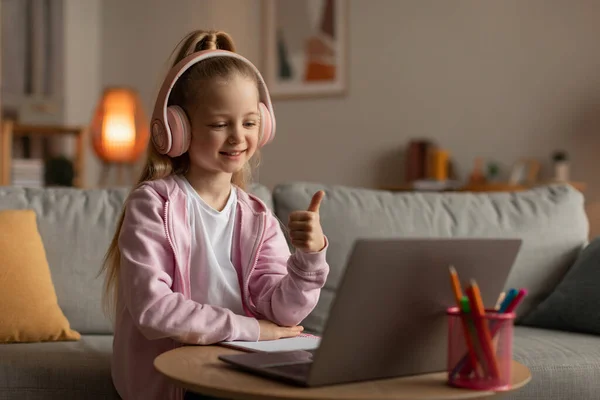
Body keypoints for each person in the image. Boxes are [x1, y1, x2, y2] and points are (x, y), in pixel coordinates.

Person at [99, 29, 330, 400]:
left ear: (264, 125)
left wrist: (310, 257)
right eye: (221, 124)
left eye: (250, 122)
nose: (238, 137)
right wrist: (253, 330)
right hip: (179, 380)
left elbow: (283, 311)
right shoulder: (152, 204)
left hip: (241, 363)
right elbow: (154, 309)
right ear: (179, 129)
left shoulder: (256, 215)